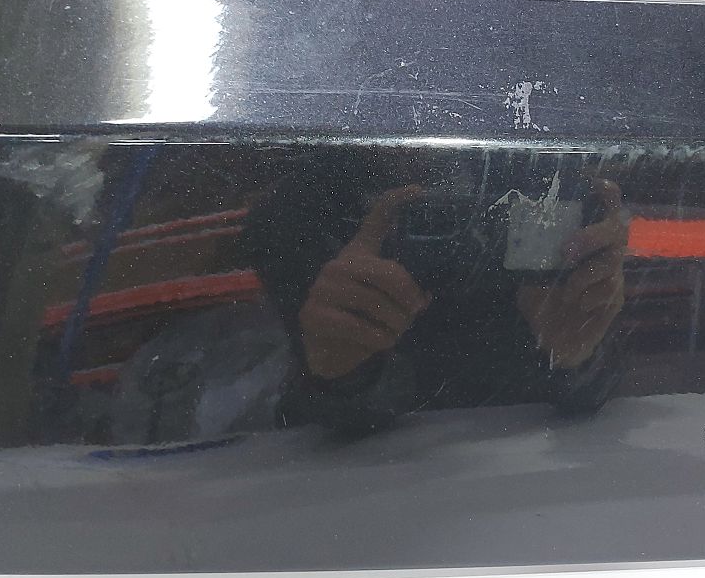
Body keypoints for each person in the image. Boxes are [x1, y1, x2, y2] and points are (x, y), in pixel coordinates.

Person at [241, 150, 627, 436]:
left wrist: (581, 346)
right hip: (538, 457)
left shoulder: (542, 174)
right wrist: (340, 374)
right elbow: (307, 416)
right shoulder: (295, 213)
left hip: (366, 484)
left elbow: (300, 437)